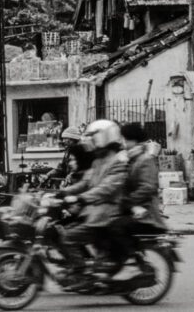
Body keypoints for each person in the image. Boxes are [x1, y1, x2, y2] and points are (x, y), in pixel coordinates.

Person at [57, 119, 128, 290]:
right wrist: (64, 192)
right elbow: (86, 182)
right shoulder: (98, 162)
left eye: (94, 138)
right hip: (94, 211)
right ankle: (86, 267)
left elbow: (106, 188)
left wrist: (81, 198)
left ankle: (82, 274)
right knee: (66, 229)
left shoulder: (118, 162)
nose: (90, 142)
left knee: (68, 237)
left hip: (107, 213)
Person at [111, 123, 167, 265]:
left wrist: (128, 201)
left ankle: (130, 261)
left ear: (133, 140)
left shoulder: (145, 160)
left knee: (116, 227)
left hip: (146, 215)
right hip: (133, 210)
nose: (123, 143)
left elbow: (148, 187)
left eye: (125, 139)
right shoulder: (131, 159)